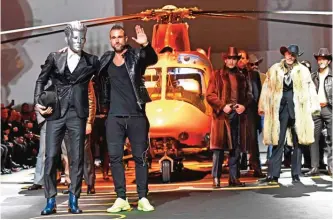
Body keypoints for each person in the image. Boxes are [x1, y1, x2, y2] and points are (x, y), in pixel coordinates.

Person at [34, 21, 99, 215]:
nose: (79, 41)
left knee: (77, 158)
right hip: (55, 113)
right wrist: (38, 102)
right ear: (67, 38)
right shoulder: (55, 57)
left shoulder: (91, 61)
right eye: (75, 37)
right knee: (51, 156)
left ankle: (73, 199)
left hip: (77, 115)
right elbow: (41, 80)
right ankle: (50, 200)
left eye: (82, 38)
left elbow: (107, 71)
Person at [98, 25, 158, 212]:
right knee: (115, 158)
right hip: (114, 117)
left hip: (136, 115)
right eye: (113, 37)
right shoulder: (105, 60)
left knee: (140, 158)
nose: (116, 40)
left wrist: (146, 44)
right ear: (110, 40)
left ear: (125, 39)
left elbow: (152, 58)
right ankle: (121, 197)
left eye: (120, 37)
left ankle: (142, 197)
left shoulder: (136, 57)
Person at [258, 44, 320, 184]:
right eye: (288, 54)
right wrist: (262, 105)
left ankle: (296, 173)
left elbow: (310, 89)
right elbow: (266, 88)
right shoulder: (274, 70)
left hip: (298, 110)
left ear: (296, 56)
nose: (290, 57)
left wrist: (314, 107)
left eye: (293, 55)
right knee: (277, 142)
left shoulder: (303, 71)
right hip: (280, 110)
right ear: (284, 55)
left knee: (298, 143)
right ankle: (273, 174)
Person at [207, 47, 253, 188]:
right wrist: (222, 106)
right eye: (229, 59)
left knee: (236, 148)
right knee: (219, 150)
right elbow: (210, 95)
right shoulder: (217, 75)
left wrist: (243, 106)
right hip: (222, 116)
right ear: (225, 60)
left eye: (234, 59)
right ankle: (216, 178)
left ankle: (234, 178)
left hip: (237, 115)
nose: (232, 61)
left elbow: (249, 95)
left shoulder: (242, 76)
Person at [306, 48, 332, 176]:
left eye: (324, 59)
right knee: (314, 139)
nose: (321, 61)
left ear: (328, 61)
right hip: (316, 109)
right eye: (319, 59)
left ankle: (331, 167)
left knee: (331, 139)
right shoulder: (313, 76)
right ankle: (314, 167)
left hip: (329, 108)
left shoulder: (332, 76)